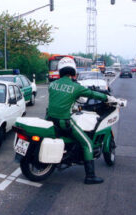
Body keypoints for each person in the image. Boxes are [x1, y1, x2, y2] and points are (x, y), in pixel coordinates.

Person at [46, 57, 118, 185]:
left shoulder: (52, 85)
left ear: (60, 71)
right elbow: (92, 94)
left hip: (50, 120)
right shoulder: (75, 87)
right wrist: (107, 98)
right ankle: (90, 176)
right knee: (87, 143)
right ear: (73, 71)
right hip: (64, 122)